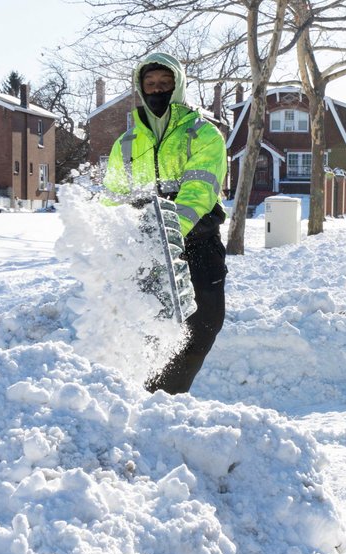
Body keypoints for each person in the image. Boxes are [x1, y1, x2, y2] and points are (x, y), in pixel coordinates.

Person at [102, 52, 228, 395]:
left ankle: (167, 397)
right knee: (148, 325)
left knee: (204, 322)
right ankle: (140, 394)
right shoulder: (126, 144)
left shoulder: (202, 133)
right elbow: (113, 200)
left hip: (198, 243)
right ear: (141, 89)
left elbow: (199, 190)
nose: (157, 89)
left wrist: (169, 233)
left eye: (164, 83)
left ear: (178, 86)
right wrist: (118, 244)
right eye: (150, 84)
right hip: (145, 247)